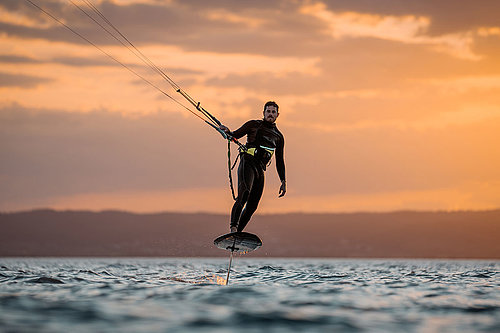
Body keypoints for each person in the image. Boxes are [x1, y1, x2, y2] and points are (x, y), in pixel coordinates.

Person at [220, 101, 286, 233]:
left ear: (277, 115)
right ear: (263, 113)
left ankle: (238, 233)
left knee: (253, 205)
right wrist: (227, 131)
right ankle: (233, 228)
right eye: (268, 111)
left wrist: (283, 181)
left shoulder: (279, 137)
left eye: (273, 112)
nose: (270, 114)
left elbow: (279, 160)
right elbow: (235, 135)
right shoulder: (254, 125)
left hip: (260, 169)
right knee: (244, 195)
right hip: (248, 163)